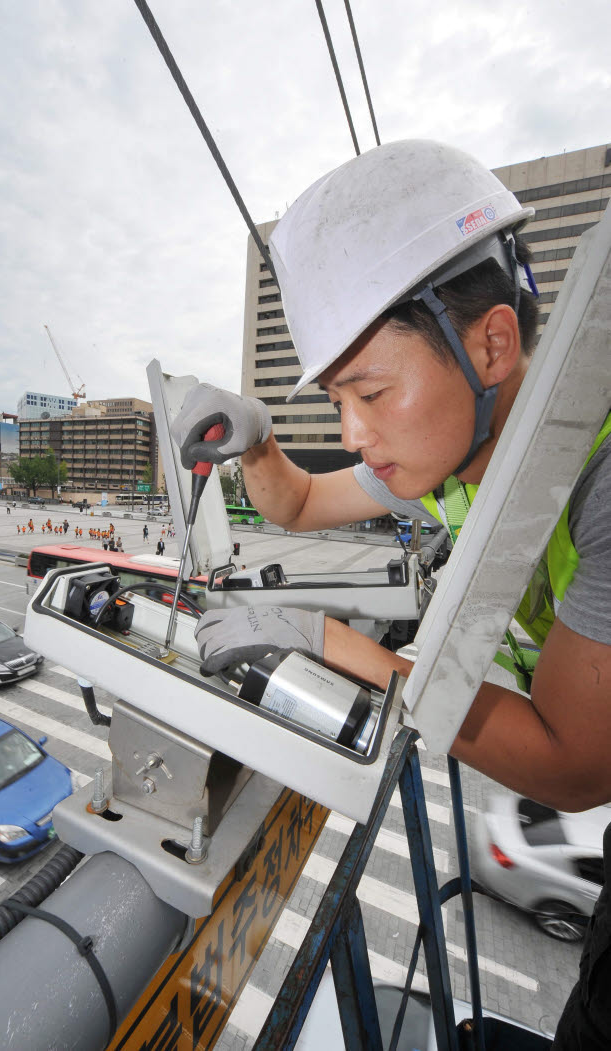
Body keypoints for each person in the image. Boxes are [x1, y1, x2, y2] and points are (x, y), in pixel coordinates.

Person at [171, 139, 611, 1049]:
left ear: (490, 342)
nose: (354, 432)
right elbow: (295, 500)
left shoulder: (598, 473)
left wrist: (333, 645)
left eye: (368, 391)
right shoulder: (453, 447)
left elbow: (576, 764)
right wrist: (256, 441)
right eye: (337, 400)